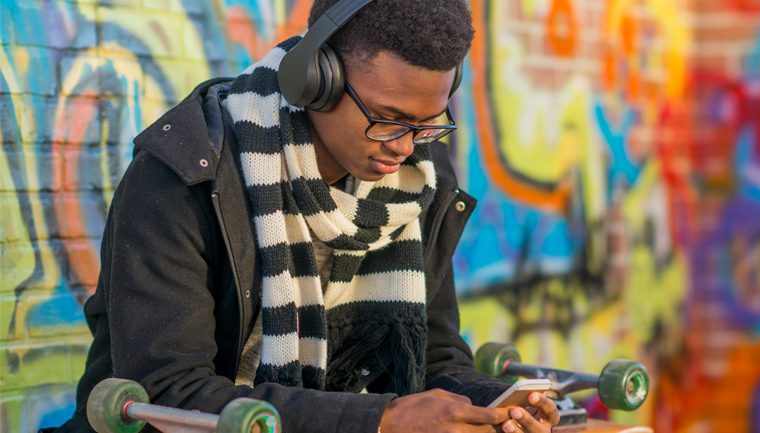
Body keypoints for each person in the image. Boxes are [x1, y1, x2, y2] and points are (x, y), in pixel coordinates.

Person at [47, 1, 561, 432]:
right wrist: (381, 420)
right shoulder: (185, 175)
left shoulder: (418, 180)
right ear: (316, 80)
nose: (405, 148)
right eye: (388, 121)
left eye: (428, 125)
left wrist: (498, 406)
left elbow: (434, 356)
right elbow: (167, 395)